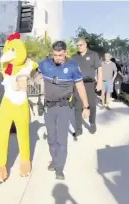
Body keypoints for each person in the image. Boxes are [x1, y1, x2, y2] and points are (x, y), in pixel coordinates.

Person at [38, 41, 90, 180]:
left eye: (60, 55)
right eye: (55, 55)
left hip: (64, 107)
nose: (57, 58)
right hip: (49, 107)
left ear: (65, 53)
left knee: (61, 139)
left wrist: (86, 106)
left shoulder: (72, 67)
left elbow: (80, 87)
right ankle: (54, 160)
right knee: (51, 138)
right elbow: (33, 74)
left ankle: (59, 168)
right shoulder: (44, 64)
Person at [71, 38, 102, 137]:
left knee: (92, 105)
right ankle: (78, 128)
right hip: (77, 84)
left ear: (85, 45)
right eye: (78, 45)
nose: (79, 47)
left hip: (90, 84)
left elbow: (99, 69)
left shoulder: (93, 55)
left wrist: (100, 82)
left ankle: (92, 123)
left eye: (81, 45)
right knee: (78, 106)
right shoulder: (74, 57)